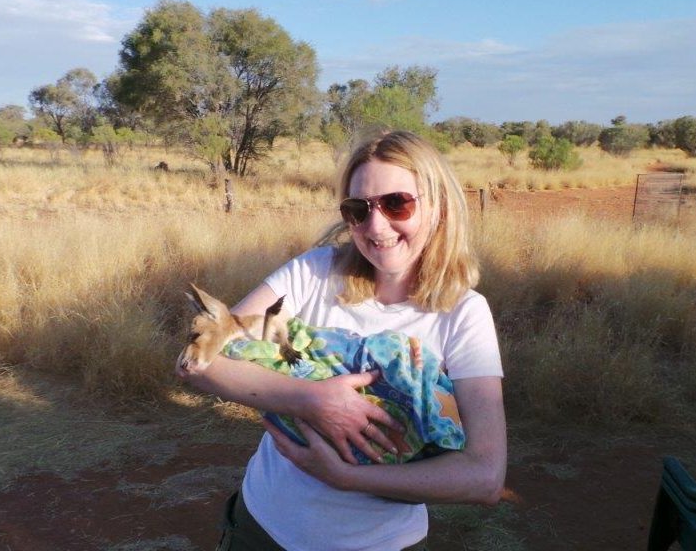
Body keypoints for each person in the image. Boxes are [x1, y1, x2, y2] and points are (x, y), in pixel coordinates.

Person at [176, 130, 506, 551]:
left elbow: (485, 477)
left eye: (396, 203)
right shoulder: (314, 272)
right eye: (358, 209)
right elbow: (201, 359)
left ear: (438, 206)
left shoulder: (464, 313)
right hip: (262, 529)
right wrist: (311, 401)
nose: (376, 225)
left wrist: (346, 477)